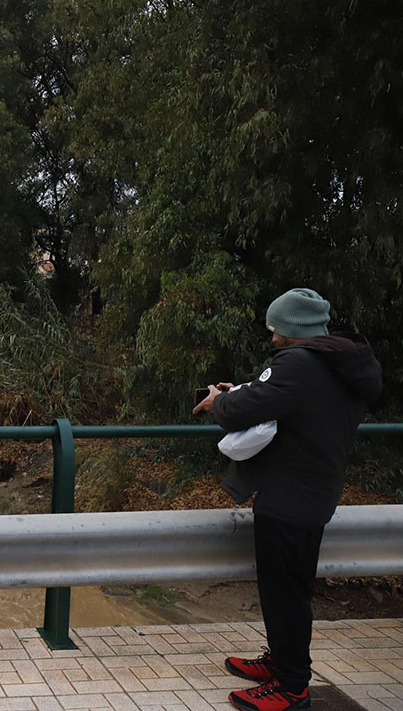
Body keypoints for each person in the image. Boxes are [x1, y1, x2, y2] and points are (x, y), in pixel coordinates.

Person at [194, 288, 382, 711]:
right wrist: (241, 391)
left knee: (285, 595)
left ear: (294, 329)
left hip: (289, 497)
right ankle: (281, 663)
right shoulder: (339, 363)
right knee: (290, 590)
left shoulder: (298, 364)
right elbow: (286, 401)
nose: (273, 338)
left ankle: (292, 687)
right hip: (314, 492)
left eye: (277, 329)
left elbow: (245, 409)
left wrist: (219, 400)